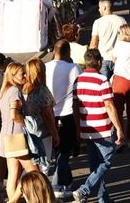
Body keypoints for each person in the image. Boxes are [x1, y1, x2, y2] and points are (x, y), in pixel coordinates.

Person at [72, 49, 125, 203]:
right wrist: (119, 128)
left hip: (86, 128)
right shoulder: (102, 81)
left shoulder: (78, 81)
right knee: (106, 161)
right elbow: (109, 105)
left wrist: (78, 127)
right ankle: (84, 190)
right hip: (102, 129)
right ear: (100, 62)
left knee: (95, 166)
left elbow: (75, 107)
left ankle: (103, 198)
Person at [45, 40, 81, 198]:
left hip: (48, 114)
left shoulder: (45, 67)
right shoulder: (74, 68)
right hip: (66, 115)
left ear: (54, 50)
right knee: (64, 152)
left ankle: (66, 180)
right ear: (68, 53)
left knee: (56, 152)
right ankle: (57, 185)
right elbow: (78, 94)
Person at [0, 62, 37, 198]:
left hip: (7, 135)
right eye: (22, 74)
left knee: (13, 173)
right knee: (34, 171)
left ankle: (12, 200)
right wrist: (26, 124)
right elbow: (13, 115)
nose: (25, 76)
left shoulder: (5, 91)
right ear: (13, 76)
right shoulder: (15, 91)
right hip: (16, 135)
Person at [22, 58, 59, 168]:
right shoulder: (41, 90)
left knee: (31, 165)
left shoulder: (22, 88)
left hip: (27, 130)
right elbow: (47, 114)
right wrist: (55, 133)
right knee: (44, 165)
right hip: (42, 132)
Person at [89, 0, 127, 79]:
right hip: (119, 59)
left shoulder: (98, 22)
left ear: (105, 7)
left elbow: (94, 43)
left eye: (99, 7)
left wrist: (90, 60)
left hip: (103, 58)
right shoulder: (122, 20)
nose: (99, 10)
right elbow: (127, 40)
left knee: (103, 86)